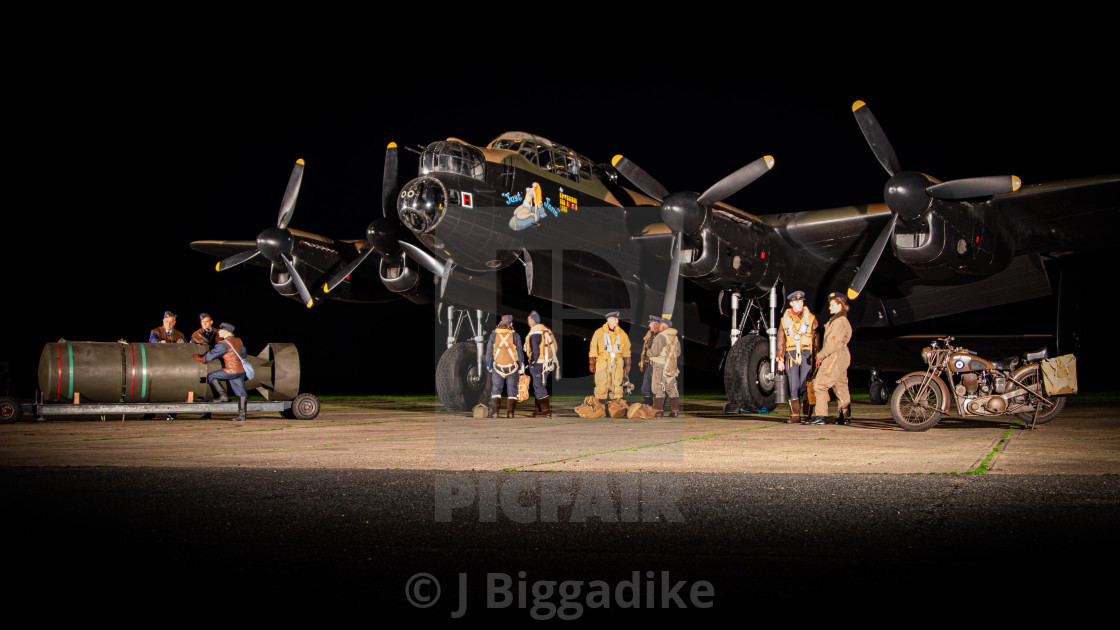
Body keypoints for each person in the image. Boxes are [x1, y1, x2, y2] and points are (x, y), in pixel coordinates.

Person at [806, 292, 852, 425]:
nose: (829, 307)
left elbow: (832, 343)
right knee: (840, 386)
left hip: (835, 356)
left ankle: (820, 415)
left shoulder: (838, 322)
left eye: (832, 305)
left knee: (819, 384)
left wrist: (820, 356)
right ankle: (845, 416)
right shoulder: (839, 320)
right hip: (841, 356)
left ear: (840, 305)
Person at [776, 290, 819, 423]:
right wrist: (780, 359)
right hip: (791, 353)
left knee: (805, 384)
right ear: (791, 303)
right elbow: (781, 340)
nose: (799, 304)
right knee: (793, 384)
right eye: (796, 302)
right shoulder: (784, 320)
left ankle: (807, 415)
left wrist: (817, 357)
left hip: (807, 353)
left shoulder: (811, 318)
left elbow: (816, 338)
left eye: (801, 301)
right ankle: (795, 415)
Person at [193, 323, 249, 422]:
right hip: (240, 370)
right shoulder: (238, 341)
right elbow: (243, 353)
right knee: (241, 393)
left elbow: (212, 355)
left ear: (225, 332)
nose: (218, 332)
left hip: (231, 370)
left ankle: (222, 395)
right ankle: (242, 415)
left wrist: (201, 358)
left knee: (212, 376)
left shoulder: (224, 344)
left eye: (220, 330)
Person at [484, 315, 526, 418]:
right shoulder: (515, 335)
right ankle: (510, 413)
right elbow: (519, 352)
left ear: (500, 322)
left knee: (496, 389)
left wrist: (488, 366)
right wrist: (522, 366)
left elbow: (489, 352)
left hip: (498, 367)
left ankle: (495, 413)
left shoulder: (493, 335)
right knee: (512, 390)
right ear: (511, 324)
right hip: (512, 367)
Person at [589, 311, 631, 404]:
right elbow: (593, 347)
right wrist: (591, 363)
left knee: (617, 383)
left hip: (617, 361)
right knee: (601, 383)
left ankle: (615, 407)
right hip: (603, 361)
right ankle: (601, 406)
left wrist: (628, 364)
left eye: (617, 319)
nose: (617, 321)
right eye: (614, 319)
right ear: (608, 319)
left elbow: (627, 349)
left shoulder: (622, 334)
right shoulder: (599, 332)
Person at [524, 311, 557, 417]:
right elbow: (555, 347)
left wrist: (533, 362)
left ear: (533, 321)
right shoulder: (546, 330)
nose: (528, 321)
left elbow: (535, 350)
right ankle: (538, 410)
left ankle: (546, 411)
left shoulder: (535, 332)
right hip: (547, 363)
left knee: (538, 386)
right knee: (541, 385)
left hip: (538, 363)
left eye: (530, 319)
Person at [648, 316, 682, 417]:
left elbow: (655, 352)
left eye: (661, 325)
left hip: (660, 365)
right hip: (671, 366)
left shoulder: (661, 336)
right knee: (671, 387)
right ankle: (675, 410)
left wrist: (648, 351)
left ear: (663, 326)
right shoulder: (674, 337)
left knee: (657, 387)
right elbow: (678, 352)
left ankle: (658, 411)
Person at [638, 315, 660, 407]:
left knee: (657, 387)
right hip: (649, 364)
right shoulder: (649, 335)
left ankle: (659, 406)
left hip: (657, 364)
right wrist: (642, 363)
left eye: (651, 323)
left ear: (657, 324)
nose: (649, 325)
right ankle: (647, 405)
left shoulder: (661, 336)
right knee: (645, 387)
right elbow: (645, 350)